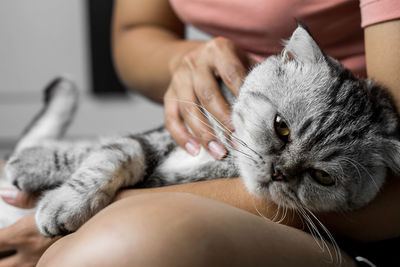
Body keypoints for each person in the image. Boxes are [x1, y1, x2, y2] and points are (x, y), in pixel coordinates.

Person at [1, 0, 400, 266]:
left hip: (346, 229)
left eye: (319, 174)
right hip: (254, 102)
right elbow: (136, 29)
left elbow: (391, 202)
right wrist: (186, 60)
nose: (280, 171)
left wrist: (106, 203)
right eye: (281, 132)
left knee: (111, 250)